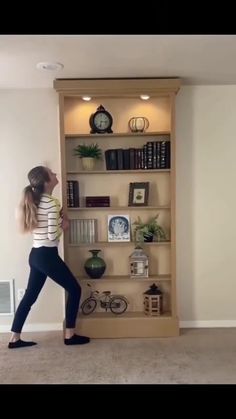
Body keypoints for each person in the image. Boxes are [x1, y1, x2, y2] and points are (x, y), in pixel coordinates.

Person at [8, 166, 90, 349]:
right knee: (75, 290)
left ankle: (15, 338)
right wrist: (65, 225)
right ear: (47, 182)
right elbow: (53, 236)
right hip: (47, 255)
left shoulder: (35, 201)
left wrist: (59, 223)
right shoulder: (52, 202)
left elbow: (44, 229)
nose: (55, 174)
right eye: (52, 174)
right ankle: (70, 335)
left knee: (29, 296)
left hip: (36, 254)